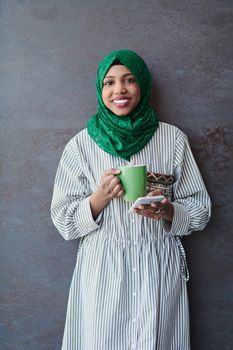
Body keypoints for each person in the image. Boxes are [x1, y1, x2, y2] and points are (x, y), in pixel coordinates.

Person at [51, 49, 211, 350]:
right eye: (109, 83)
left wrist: (167, 212)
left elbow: (200, 210)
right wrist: (100, 197)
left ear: (144, 85)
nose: (119, 90)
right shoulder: (81, 146)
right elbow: (64, 223)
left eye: (129, 80)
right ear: (100, 90)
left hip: (158, 268)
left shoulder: (172, 139)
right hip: (103, 271)